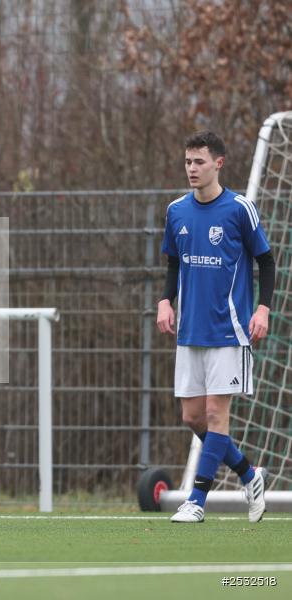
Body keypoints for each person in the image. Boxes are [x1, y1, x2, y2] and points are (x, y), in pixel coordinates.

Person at [158, 131, 275, 524]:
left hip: (231, 330)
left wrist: (263, 308)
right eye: (188, 161)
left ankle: (196, 500)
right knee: (192, 417)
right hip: (191, 330)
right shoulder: (176, 210)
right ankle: (248, 473)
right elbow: (173, 262)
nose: (192, 168)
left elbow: (267, 262)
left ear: (218, 163)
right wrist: (164, 301)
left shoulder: (240, 208)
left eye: (200, 162)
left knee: (214, 414)